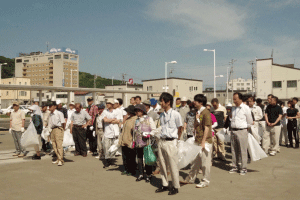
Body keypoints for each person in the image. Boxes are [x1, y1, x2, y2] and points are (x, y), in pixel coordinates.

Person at [180, 94, 213, 188]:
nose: (194, 102)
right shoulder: (198, 112)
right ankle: (191, 178)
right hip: (197, 140)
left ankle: (206, 181)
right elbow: (198, 126)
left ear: (201, 102)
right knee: (195, 162)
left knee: (205, 162)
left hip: (205, 141)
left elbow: (207, 127)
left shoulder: (206, 112)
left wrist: (203, 141)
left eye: (196, 101)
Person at [155, 92, 182, 195]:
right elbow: (162, 127)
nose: (161, 103)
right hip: (162, 141)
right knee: (162, 164)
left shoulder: (176, 114)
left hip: (171, 142)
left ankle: (175, 186)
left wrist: (177, 141)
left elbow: (180, 128)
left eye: (162, 101)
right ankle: (164, 184)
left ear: (168, 102)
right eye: (161, 101)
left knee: (172, 165)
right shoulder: (162, 115)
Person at [229, 93, 253, 175]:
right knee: (233, 149)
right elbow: (231, 118)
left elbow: (250, 121)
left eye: (235, 99)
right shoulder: (233, 108)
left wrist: (246, 129)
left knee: (243, 150)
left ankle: (243, 168)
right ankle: (235, 166)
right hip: (233, 130)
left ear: (240, 99)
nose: (234, 101)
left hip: (242, 130)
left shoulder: (245, 108)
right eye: (233, 99)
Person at [134, 104, 156, 183]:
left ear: (142, 111)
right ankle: (141, 174)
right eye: (136, 111)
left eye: (139, 110)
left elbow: (154, 129)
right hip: (138, 142)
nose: (137, 112)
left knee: (147, 158)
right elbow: (134, 131)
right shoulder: (136, 120)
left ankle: (149, 174)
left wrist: (149, 134)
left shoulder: (149, 119)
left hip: (146, 142)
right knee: (139, 159)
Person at [102, 98, 122, 168]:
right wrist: (112, 120)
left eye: (109, 103)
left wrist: (109, 120)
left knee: (113, 147)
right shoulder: (105, 111)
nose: (107, 105)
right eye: (107, 103)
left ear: (112, 104)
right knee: (106, 147)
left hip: (115, 132)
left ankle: (112, 160)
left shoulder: (117, 111)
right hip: (107, 132)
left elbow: (118, 121)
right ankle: (107, 161)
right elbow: (104, 120)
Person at [119, 105, 137, 176]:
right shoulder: (127, 118)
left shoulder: (135, 119)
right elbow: (122, 126)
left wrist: (132, 141)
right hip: (124, 140)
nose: (127, 113)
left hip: (130, 141)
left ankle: (132, 170)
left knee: (131, 157)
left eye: (128, 111)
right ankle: (126, 169)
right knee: (125, 156)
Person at [48, 101, 66, 166]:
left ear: (55, 106)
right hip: (52, 130)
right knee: (54, 145)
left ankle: (61, 160)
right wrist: (48, 130)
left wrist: (62, 130)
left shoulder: (59, 113)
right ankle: (58, 158)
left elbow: (63, 122)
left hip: (58, 128)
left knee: (59, 145)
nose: (49, 107)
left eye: (50, 106)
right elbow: (50, 122)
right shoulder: (50, 114)